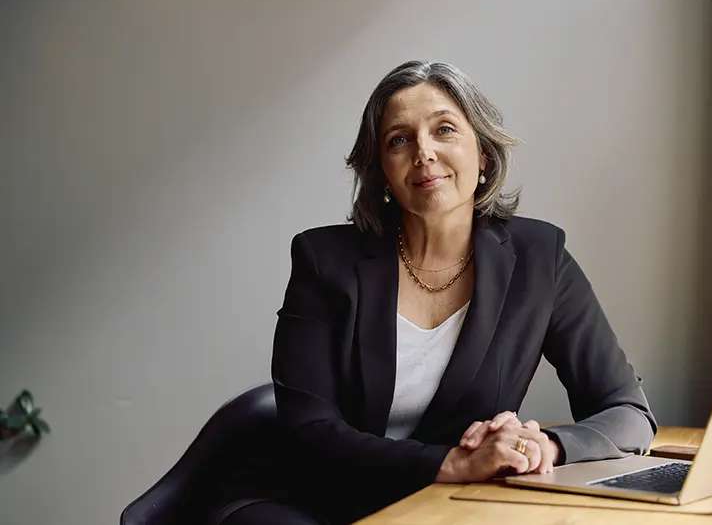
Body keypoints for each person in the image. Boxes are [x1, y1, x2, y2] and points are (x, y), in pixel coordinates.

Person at [221, 60, 656, 525]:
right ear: (382, 172)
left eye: (444, 129)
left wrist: (542, 445)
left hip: (448, 512)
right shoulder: (323, 260)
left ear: (484, 154)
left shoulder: (539, 258)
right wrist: (450, 463)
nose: (423, 152)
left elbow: (627, 412)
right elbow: (309, 431)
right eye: (399, 140)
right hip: (320, 505)